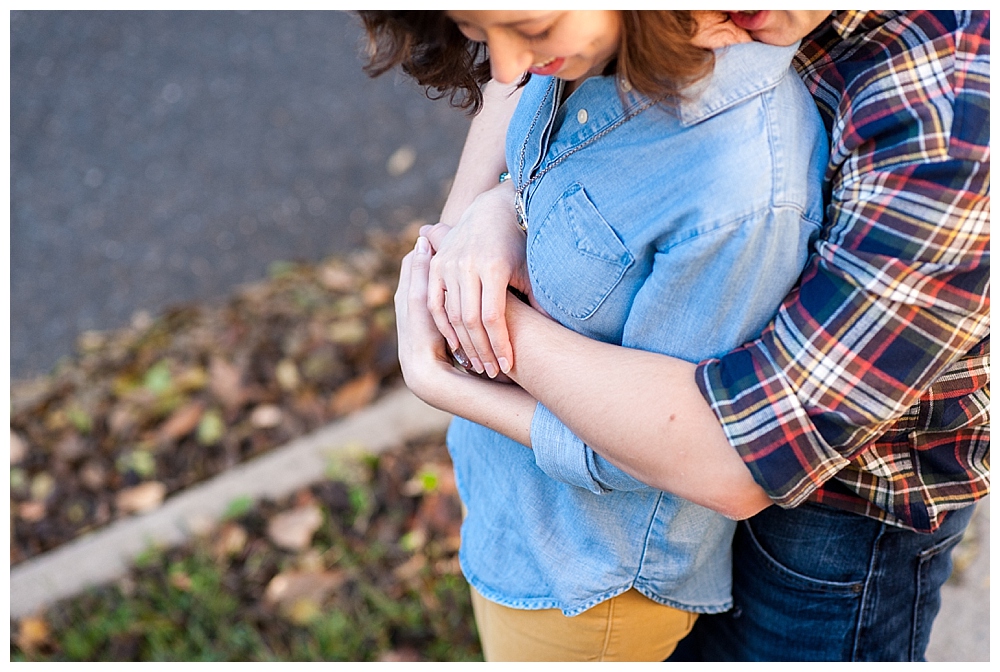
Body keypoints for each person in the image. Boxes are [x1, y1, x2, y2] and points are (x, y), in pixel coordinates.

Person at [414, 10, 990, 661]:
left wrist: (463, 339)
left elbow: (743, 454)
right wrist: (491, 213)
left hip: (842, 512)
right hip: (629, 473)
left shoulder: (949, 114)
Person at [362, 9, 829, 661]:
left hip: (587, 585)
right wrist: (499, 208)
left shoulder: (740, 187)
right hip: (518, 518)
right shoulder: (587, 51)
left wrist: (442, 380)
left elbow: (673, 454)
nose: (507, 68)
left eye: (530, 26)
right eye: (475, 30)